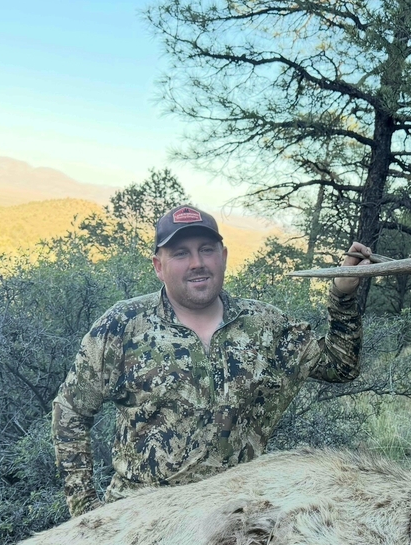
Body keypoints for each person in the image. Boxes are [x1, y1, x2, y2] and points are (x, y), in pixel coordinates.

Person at [52, 203, 371, 516]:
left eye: (206, 250)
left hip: (234, 521)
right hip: (140, 523)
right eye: (180, 253)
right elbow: (70, 410)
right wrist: (85, 511)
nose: (197, 263)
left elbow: (340, 366)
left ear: (224, 256)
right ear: (158, 266)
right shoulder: (121, 326)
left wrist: (343, 295)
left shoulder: (265, 325)